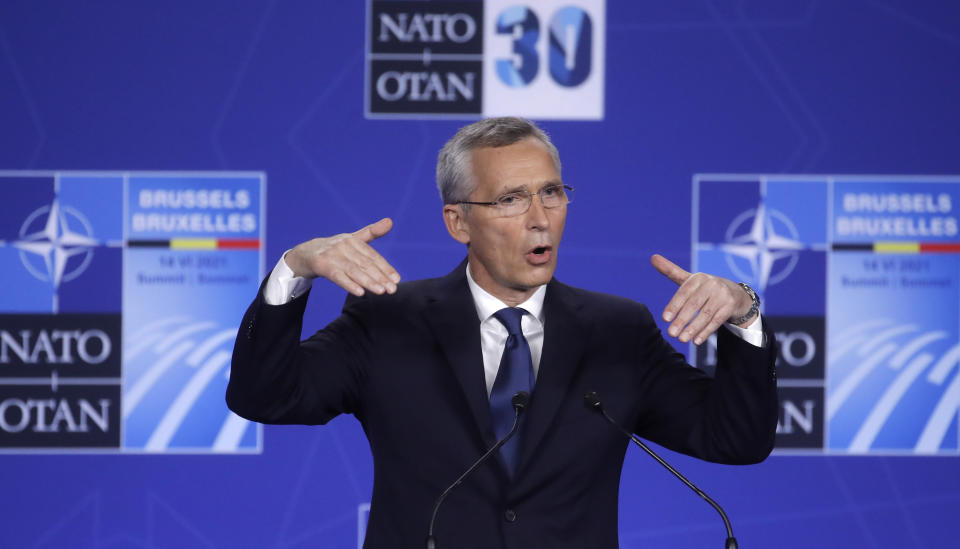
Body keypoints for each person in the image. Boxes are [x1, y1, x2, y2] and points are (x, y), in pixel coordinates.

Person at [227, 117, 778, 549]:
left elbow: (735, 439)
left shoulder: (619, 332)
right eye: (511, 199)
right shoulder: (389, 320)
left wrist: (743, 313)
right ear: (457, 222)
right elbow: (265, 396)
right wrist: (293, 271)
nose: (540, 218)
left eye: (552, 193)